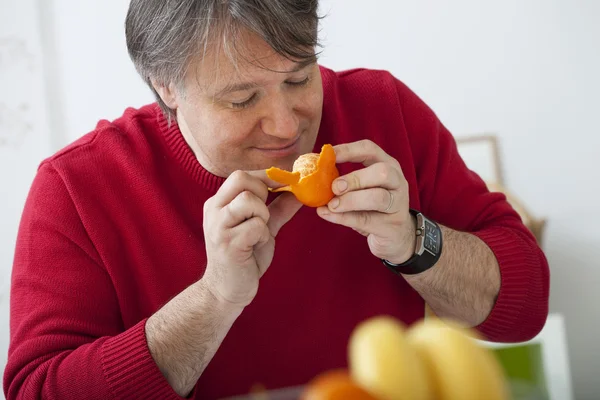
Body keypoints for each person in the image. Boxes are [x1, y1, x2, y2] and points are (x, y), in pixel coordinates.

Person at [3, 1, 550, 399]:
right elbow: (36, 391)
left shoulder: (383, 111)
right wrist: (215, 297)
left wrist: (414, 241)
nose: (287, 125)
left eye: (298, 78)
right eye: (242, 99)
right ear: (166, 86)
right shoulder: (76, 188)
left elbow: (525, 309)